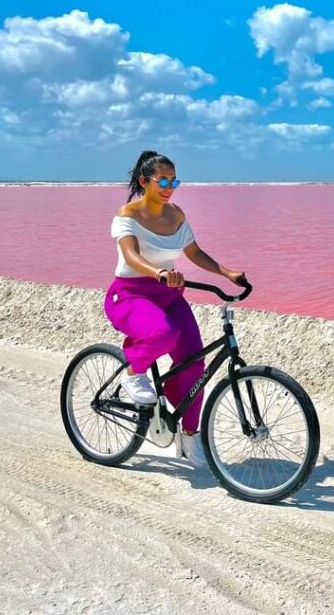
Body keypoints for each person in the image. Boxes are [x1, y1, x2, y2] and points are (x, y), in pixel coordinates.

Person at [103, 150, 246, 468]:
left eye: (174, 180)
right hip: (129, 296)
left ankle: (190, 436)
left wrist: (226, 272)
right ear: (144, 181)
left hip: (169, 295)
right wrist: (159, 273)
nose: (169, 186)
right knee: (164, 333)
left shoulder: (176, 215)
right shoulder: (127, 214)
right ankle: (133, 372)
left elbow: (193, 253)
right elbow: (130, 256)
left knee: (196, 365)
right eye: (163, 180)